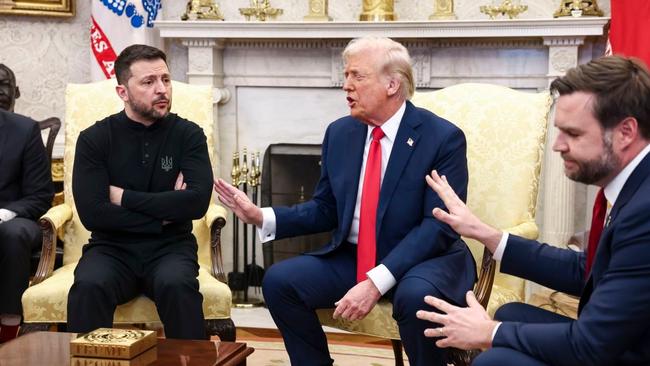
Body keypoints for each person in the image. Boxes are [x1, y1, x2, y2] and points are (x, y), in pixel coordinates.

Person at [214, 36, 476, 365]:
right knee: (280, 282)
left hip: (424, 261)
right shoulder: (341, 133)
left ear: (392, 84)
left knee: (414, 298)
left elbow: (436, 228)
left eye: (357, 76)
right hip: (356, 256)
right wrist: (262, 217)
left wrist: (375, 283)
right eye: (346, 75)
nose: (346, 86)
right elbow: (326, 209)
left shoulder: (442, 138)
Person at [417, 55, 650, 365]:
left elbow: (591, 344)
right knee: (510, 313)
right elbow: (588, 271)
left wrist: (490, 333)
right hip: (620, 340)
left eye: (574, 133)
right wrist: (486, 234)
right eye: (559, 131)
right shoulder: (633, 185)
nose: (558, 145)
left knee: (493, 360)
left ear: (625, 132)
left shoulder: (644, 213)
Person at [67, 44, 213, 339]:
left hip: (171, 247)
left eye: (166, 80)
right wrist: (164, 213)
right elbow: (93, 214)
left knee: (178, 285)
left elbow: (196, 204)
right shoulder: (94, 139)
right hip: (111, 248)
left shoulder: (189, 135)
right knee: (88, 286)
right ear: (123, 92)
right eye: (149, 82)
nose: (161, 89)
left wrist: (123, 197)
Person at [0, 63, 54, 343]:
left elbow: (41, 195)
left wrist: (4, 213)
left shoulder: (23, 130)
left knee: (13, 233)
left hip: (14, 218)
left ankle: (9, 327)